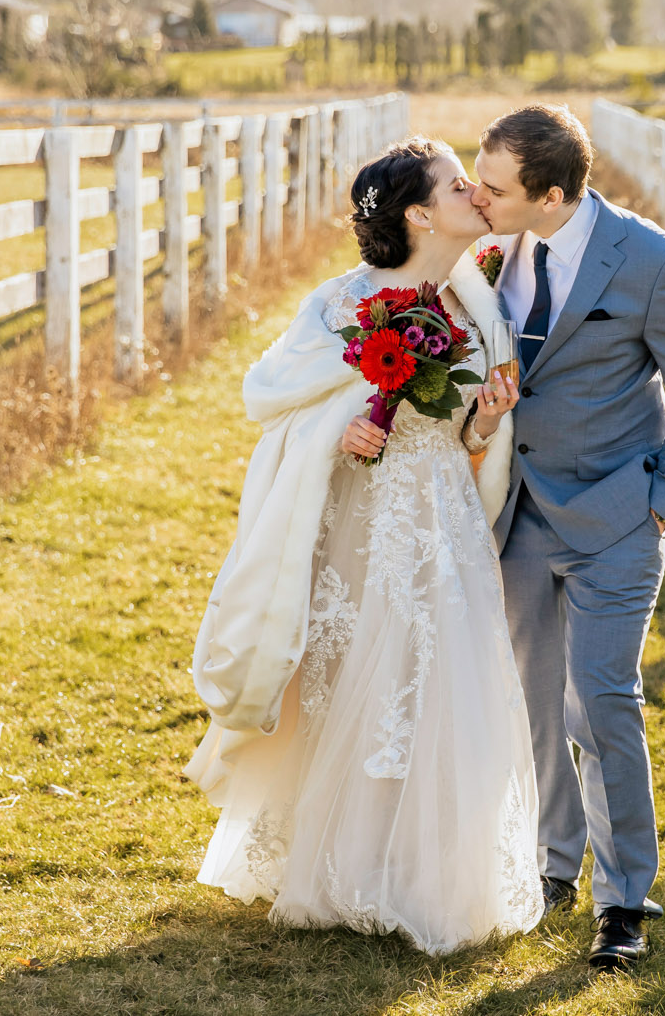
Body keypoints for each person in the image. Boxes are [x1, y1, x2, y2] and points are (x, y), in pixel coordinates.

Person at [186, 137, 541, 956]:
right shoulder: (344, 301)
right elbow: (274, 399)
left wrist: (486, 416)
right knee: (351, 682)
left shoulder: (474, 303)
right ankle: (336, 861)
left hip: (440, 515)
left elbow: (465, 430)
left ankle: (421, 868)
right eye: (459, 184)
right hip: (360, 520)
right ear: (419, 212)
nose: (473, 193)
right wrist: (335, 426)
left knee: (436, 681)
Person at [469, 103, 665, 971]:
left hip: (617, 518)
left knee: (601, 701)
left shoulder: (652, 261)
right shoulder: (487, 249)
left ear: (547, 194)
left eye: (495, 184)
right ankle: (552, 865)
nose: (478, 193)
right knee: (537, 701)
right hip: (517, 517)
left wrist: (664, 500)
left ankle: (623, 900)